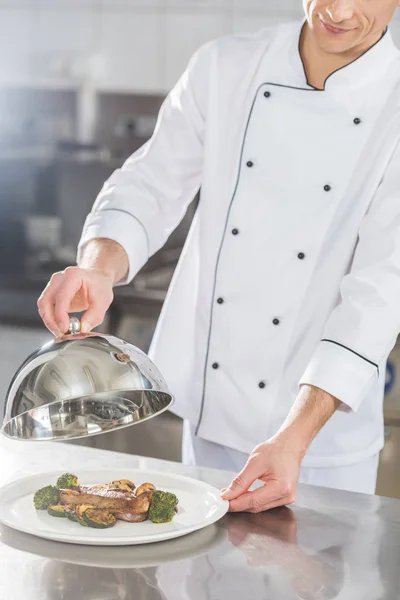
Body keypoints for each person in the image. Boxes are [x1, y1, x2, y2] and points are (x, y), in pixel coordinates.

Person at [39, 0, 400, 512]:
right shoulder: (226, 66)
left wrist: (294, 438)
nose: (337, 9)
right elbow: (150, 183)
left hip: (319, 450)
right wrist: (99, 268)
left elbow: (381, 289)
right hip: (210, 423)